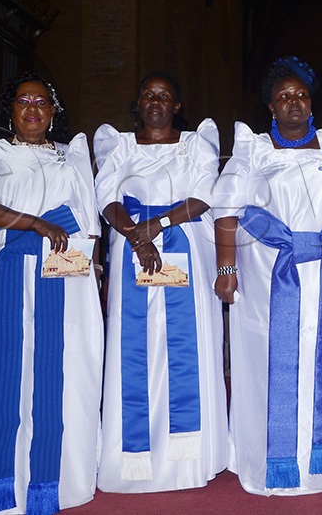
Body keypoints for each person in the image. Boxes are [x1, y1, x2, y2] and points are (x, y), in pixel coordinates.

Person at [214, 56, 322, 496]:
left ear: (311, 103)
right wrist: (227, 269)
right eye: (284, 96)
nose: (294, 102)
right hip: (270, 277)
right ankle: (274, 458)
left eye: (301, 95)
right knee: (274, 359)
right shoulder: (253, 149)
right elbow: (226, 211)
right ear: (271, 106)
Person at [0, 74, 102, 515]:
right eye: (24, 101)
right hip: (4, 269)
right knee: (1, 369)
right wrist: (36, 223)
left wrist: (91, 264)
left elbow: (88, 221)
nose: (33, 109)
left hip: (62, 272)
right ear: (11, 109)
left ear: (53, 112)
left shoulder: (72, 155)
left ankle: (53, 485)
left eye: (42, 102)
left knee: (62, 367)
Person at [94, 73, 226, 493]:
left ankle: (186, 458)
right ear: (138, 103)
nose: (156, 101)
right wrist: (137, 235)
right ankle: (134, 458)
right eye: (148, 95)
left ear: (177, 106)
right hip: (133, 248)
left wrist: (158, 225)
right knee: (135, 347)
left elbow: (203, 195)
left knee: (185, 346)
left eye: (164, 96)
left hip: (184, 244)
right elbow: (107, 197)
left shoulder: (196, 144)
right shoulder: (119, 145)